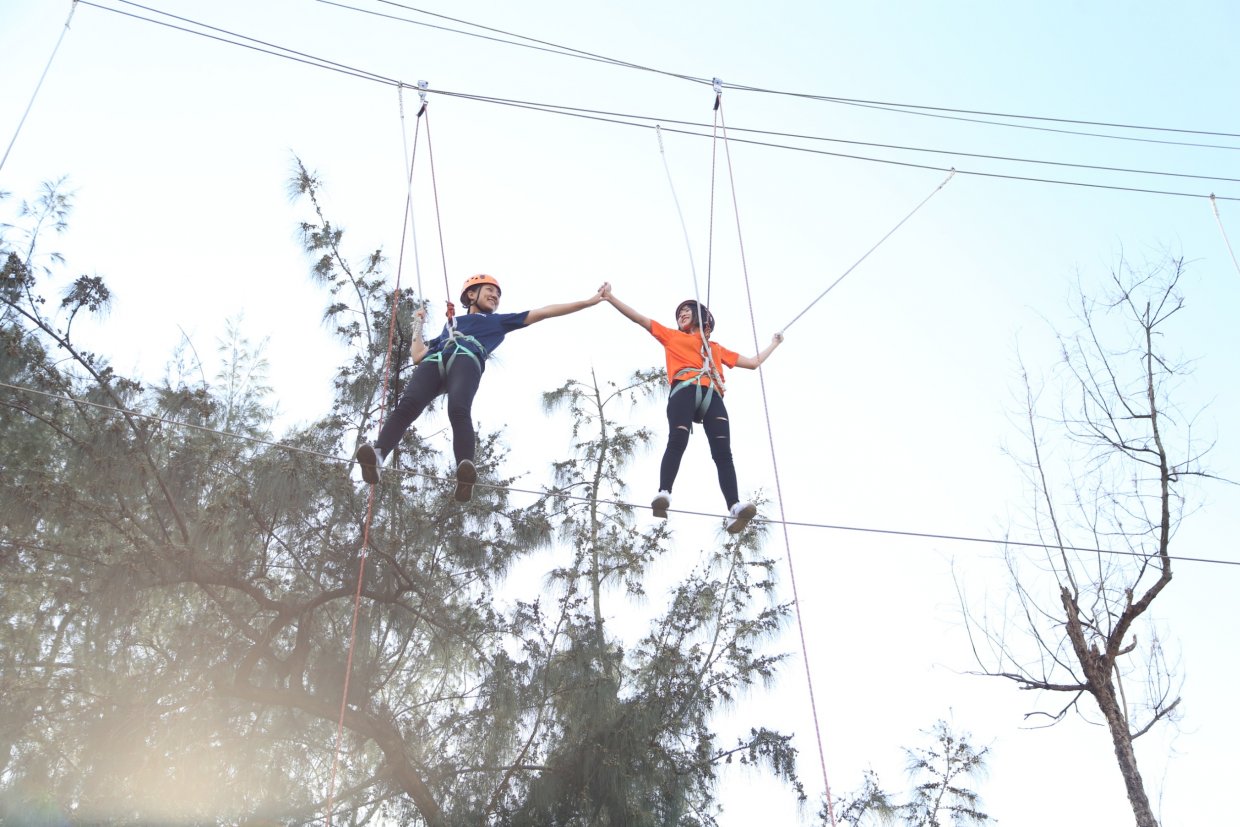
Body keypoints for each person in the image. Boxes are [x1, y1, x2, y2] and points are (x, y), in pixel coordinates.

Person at [355, 274, 606, 500]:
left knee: (458, 409)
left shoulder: (497, 321)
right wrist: (417, 328)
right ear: (471, 295)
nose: (495, 296)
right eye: (490, 290)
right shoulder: (451, 324)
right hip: (435, 360)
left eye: (497, 294)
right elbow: (418, 355)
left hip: (466, 358)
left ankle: (465, 470)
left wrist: (589, 302)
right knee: (408, 405)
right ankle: (378, 456)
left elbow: (544, 312)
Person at [600, 285, 783, 533]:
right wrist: (611, 298)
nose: (682, 314)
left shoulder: (715, 348)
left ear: (700, 316)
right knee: (678, 439)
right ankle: (664, 492)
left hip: (712, 395)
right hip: (684, 390)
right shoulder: (672, 337)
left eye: (687, 310)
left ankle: (734, 507)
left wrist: (774, 344)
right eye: (679, 313)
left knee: (723, 453)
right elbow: (640, 319)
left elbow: (753, 363)